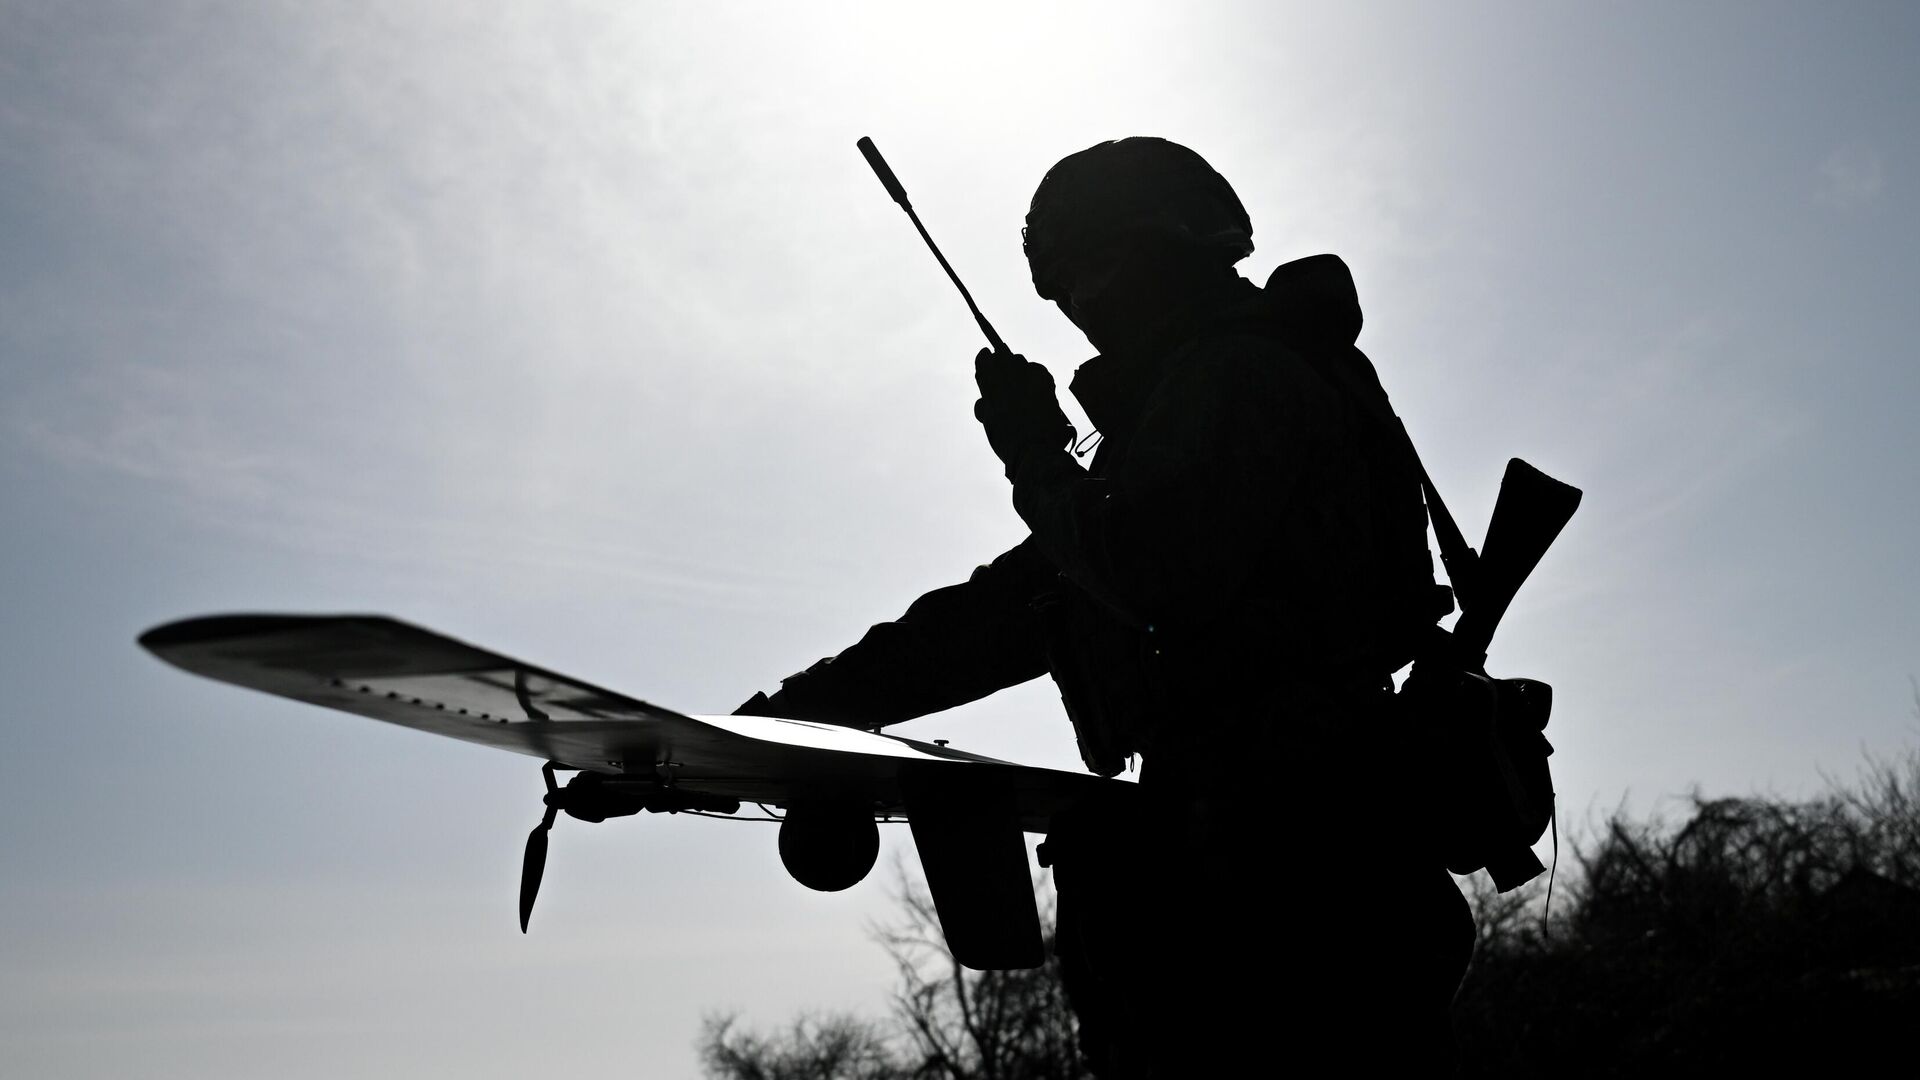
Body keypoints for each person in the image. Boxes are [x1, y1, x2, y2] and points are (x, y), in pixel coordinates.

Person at [738, 137, 1474, 1074]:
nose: (1081, 304)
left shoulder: (1244, 378)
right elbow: (1005, 614)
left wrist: (1039, 458)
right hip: (1263, 879)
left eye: (1098, 265)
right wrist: (793, 718)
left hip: (1296, 897)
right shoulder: (1190, 417)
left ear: (1175, 246)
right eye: (1062, 284)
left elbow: (1155, 573)